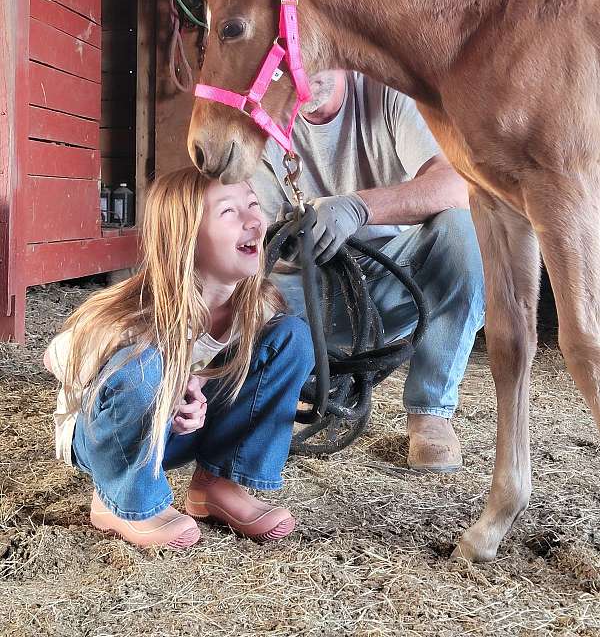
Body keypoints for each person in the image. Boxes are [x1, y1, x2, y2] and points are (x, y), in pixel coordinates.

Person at [44, 168, 314, 549]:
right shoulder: (134, 311)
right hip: (107, 440)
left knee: (293, 339)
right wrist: (162, 379)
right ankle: (120, 498)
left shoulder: (259, 307)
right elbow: (55, 355)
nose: (255, 220)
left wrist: (194, 386)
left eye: (253, 205)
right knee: (142, 364)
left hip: (179, 435)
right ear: (186, 237)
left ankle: (217, 484)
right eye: (229, 212)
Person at [251, 70, 485, 473]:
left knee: (466, 232)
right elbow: (259, 244)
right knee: (241, 301)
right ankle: (271, 394)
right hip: (306, 287)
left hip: (395, 275)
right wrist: (290, 236)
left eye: (319, 58)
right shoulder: (264, 119)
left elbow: (456, 184)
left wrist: (356, 208)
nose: (306, 75)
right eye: (292, 64)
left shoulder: (390, 94)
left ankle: (430, 412)